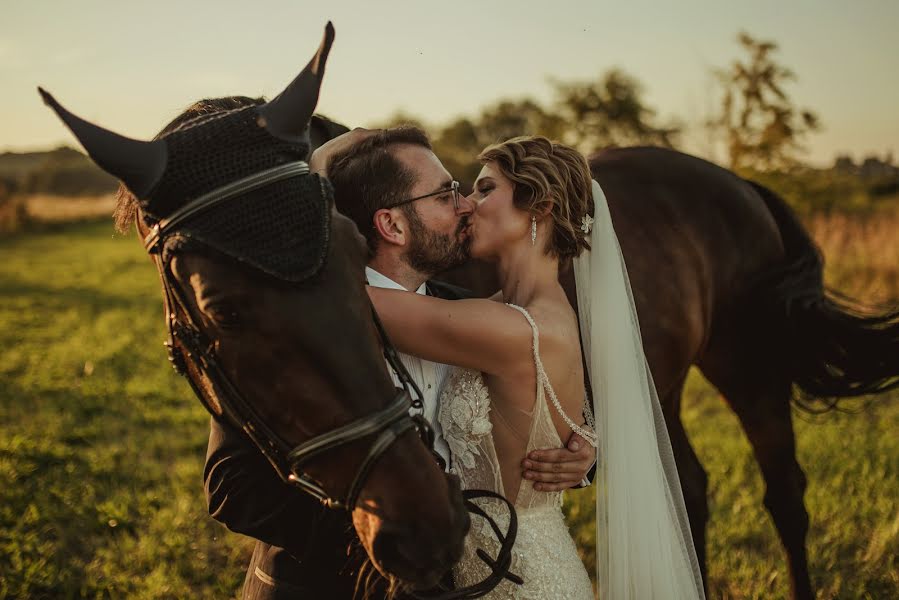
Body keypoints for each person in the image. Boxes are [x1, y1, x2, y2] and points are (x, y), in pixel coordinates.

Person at [205, 123, 596, 599]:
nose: (465, 205)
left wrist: (581, 452)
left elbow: (547, 399)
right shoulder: (300, 332)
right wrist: (394, 539)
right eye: (446, 194)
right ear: (391, 225)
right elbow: (232, 485)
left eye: (474, 189)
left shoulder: (472, 317)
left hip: (497, 576)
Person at [318, 132, 706, 598]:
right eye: (461, 191)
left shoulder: (512, 329)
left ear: (538, 208)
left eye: (484, 190)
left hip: (513, 580)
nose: (466, 204)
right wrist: (581, 444)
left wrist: (318, 175)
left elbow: (336, 294)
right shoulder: (513, 312)